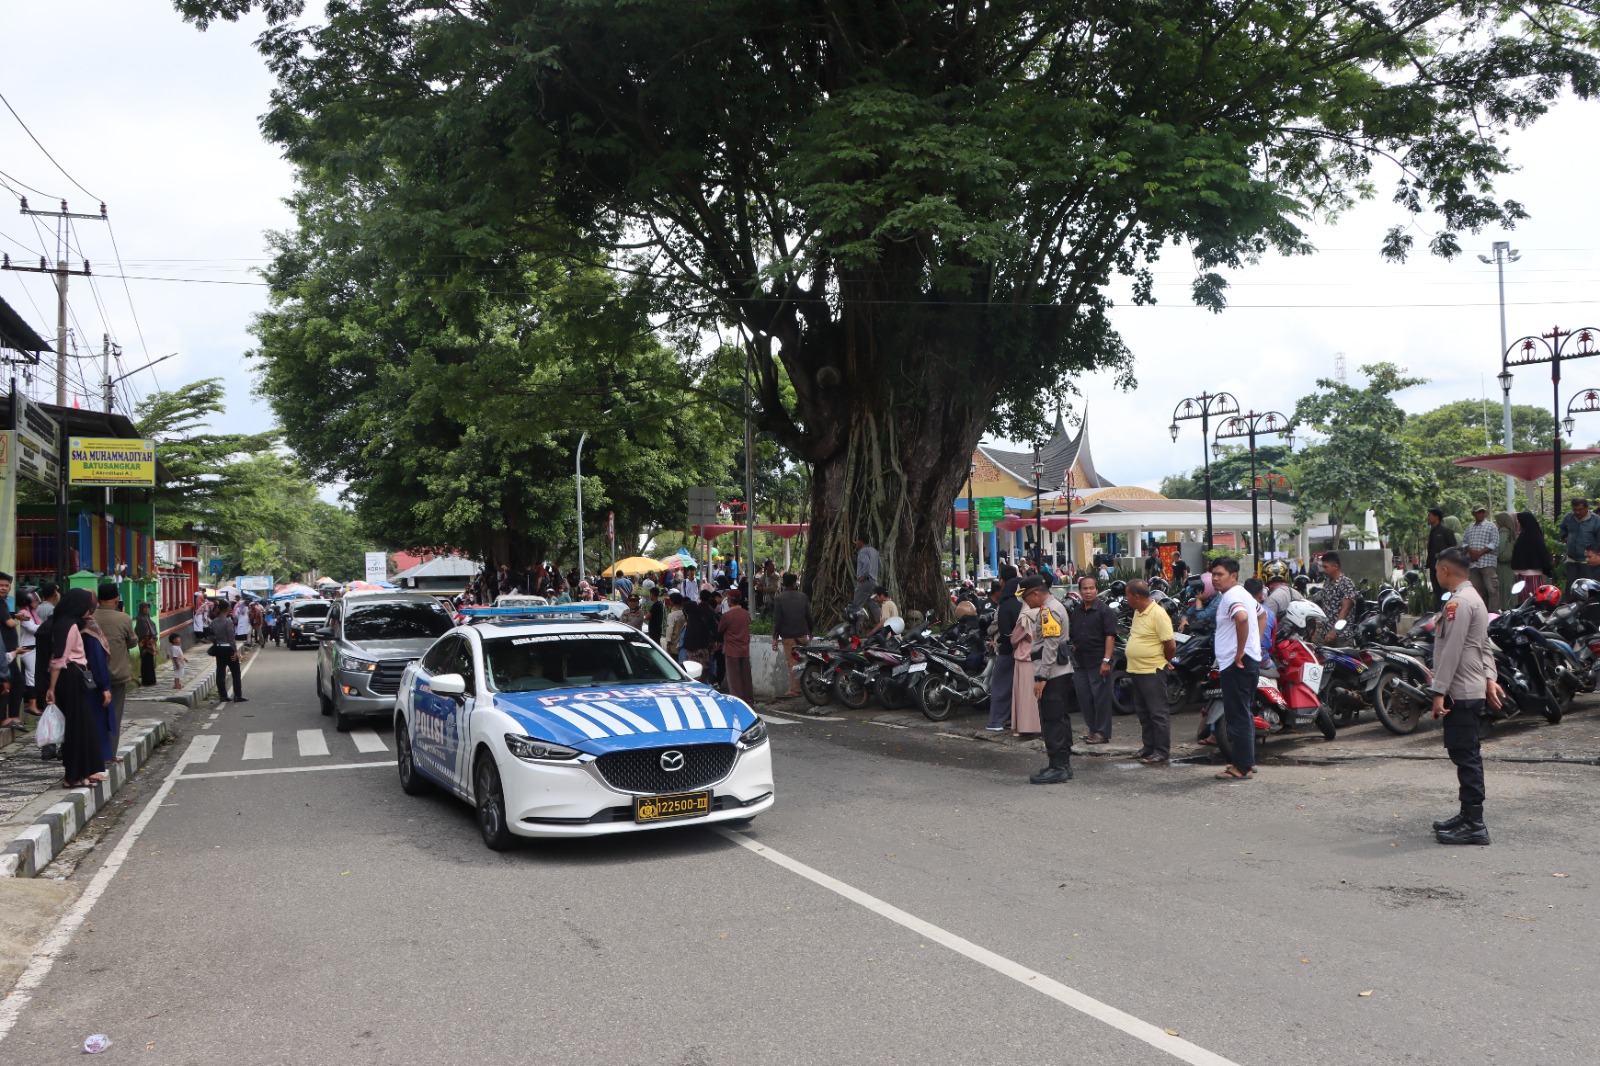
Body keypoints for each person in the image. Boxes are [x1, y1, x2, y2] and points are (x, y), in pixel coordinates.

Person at [1428, 546, 1501, 845]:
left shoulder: (1458, 602)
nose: (1436, 574)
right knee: (1465, 754)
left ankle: (1475, 824)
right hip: (1470, 687)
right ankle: (1466, 815)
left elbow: (1452, 650)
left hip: (1460, 690)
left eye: (1436, 569)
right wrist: (1490, 677)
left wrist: (1438, 692)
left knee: (1466, 756)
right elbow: (1484, 645)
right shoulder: (1474, 597)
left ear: (1445, 570)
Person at [46, 589, 108, 789]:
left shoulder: (63, 623)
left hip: (70, 677)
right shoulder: (70, 626)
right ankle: (73, 776)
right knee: (77, 728)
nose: (89, 609)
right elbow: (58, 659)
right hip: (70, 676)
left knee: (81, 726)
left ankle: (82, 772)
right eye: (86, 605)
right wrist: (51, 688)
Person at [1019, 576, 1074, 784]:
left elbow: (1050, 646)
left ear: (1035, 593)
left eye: (1025, 597)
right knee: (1059, 718)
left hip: (1052, 673)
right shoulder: (1050, 607)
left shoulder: (1049, 610)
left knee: (1052, 720)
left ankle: (1058, 767)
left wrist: (1042, 676)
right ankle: (1062, 765)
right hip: (1058, 670)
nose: (1025, 602)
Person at [1211, 557, 1261, 782]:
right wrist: (1254, 645)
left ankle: (1242, 767)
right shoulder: (1244, 594)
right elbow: (1262, 614)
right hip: (1248, 660)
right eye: (1213, 574)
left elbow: (1242, 618)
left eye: (1220, 574)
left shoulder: (1232, 596)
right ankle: (1247, 760)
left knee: (1237, 715)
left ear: (1233, 576)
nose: (1215, 578)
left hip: (1236, 663)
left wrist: (1240, 651)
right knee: (1244, 712)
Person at [1123, 579, 1176, 765]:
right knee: (1143, 712)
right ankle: (1148, 746)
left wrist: (1165, 661)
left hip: (1152, 670)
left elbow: (1170, 645)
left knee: (1157, 712)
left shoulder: (1158, 614)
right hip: (1137, 669)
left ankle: (1161, 751)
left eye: (1128, 595)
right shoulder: (1138, 612)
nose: (1127, 599)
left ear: (1136, 596)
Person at [1069, 574, 1117, 745]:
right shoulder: (1077, 611)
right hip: (1080, 662)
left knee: (1101, 698)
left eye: (1091, 588)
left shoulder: (1105, 611)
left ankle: (1102, 732)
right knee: (1084, 697)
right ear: (1080, 591)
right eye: (1085, 588)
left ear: (1097, 590)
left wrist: (1106, 660)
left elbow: (1110, 636)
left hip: (1098, 662)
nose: (1088, 591)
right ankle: (1092, 729)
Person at [95, 584, 138, 753]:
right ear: (116, 600)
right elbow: (133, 642)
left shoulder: (90, 617)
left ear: (98, 600)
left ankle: (96, 751)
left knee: (95, 713)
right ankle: (110, 753)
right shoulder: (123, 618)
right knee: (114, 714)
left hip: (93, 675)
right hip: (117, 673)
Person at [771, 573, 813, 698]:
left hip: (788, 636)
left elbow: (777, 620)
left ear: (784, 584)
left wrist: (775, 638)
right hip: (802, 634)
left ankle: (795, 689)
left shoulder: (779, 598)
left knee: (793, 663)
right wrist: (811, 630)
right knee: (805, 660)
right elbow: (809, 616)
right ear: (794, 584)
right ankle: (808, 686)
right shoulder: (803, 597)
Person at [1463, 505, 1501, 611]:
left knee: (1492, 589)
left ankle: (1494, 614)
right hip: (1473, 564)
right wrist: (1471, 552)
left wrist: (1479, 553)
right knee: (1476, 592)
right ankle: (1481, 613)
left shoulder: (1491, 526)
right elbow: (1464, 543)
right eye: (1478, 512)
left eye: (1482, 512)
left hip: (1487, 563)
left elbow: (1494, 543)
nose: (1481, 514)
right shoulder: (1469, 527)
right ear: (1473, 514)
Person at [718, 590, 753, 703]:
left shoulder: (727, 616)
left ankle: (738, 700)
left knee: (734, 678)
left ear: (730, 601)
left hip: (731, 650)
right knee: (746, 676)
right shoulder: (746, 614)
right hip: (744, 649)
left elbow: (720, 629)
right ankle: (749, 699)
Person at [1510, 510, 1553, 601]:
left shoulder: (1524, 536)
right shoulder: (1535, 535)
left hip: (1526, 575)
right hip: (1533, 574)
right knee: (1534, 599)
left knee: (1528, 600)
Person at [1314, 552, 1359, 640]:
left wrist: (1334, 631)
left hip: (1340, 637)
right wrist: (1317, 631)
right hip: (1324, 634)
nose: (1323, 570)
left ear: (1335, 566)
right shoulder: (1327, 583)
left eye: (1326, 567)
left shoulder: (1345, 583)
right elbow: (1324, 607)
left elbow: (1345, 610)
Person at [1558, 498, 1600, 587]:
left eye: (1580, 509)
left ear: (1587, 508)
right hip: (1571, 559)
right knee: (1571, 586)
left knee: (1588, 586)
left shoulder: (1596, 520)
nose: (1577, 512)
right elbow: (1562, 528)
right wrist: (1564, 537)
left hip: (1588, 561)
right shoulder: (1568, 517)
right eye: (1575, 510)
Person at [210, 602, 245, 702]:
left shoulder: (214, 621)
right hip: (228, 648)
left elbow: (210, 636)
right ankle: (237, 695)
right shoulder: (228, 621)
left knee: (220, 672)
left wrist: (216, 642)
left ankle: (223, 696)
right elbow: (231, 637)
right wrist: (234, 651)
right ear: (227, 609)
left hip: (219, 648)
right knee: (235, 672)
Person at [1425, 507, 1456, 602]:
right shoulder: (1432, 531)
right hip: (1433, 566)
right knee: (1436, 592)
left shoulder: (1445, 531)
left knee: (1444, 591)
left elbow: (1453, 547)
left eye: (1430, 515)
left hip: (1444, 567)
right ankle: (1438, 609)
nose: (1428, 517)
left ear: (1436, 517)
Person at [852, 535, 882, 619]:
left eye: (857, 541)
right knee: (873, 604)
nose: (856, 543)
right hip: (874, 583)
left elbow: (866, 563)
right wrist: (873, 575)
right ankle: (884, 624)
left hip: (865, 583)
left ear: (861, 541)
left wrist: (863, 576)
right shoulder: (875, 551)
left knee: (856, 606)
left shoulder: (863, 551)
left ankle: (854, 627)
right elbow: (880, 567)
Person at [135, 601, 159, 687]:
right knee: (146, 661)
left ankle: (151, 680)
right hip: (144, 644)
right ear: (141, 609)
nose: (147, 609)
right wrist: (150, 638)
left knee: (150, 661)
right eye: (145, 608)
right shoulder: (140, 619)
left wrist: (152, 638)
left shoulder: (147, 618)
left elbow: (153, 629)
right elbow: (143, 632)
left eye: (148, 608)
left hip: (150, 643)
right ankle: (147, 681)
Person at [664, 592, 687, 661]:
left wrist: (668, 643)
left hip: (674, 644)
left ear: (672, 602)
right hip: (684, 644)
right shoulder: (685, 613)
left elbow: (669, 630)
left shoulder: (672, 615)